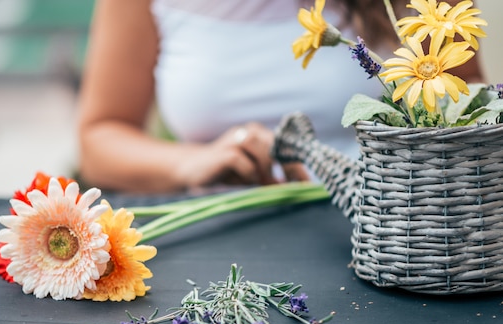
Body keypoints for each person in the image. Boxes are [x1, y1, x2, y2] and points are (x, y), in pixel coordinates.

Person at [77, 0, 484, 193]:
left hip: (395, 231)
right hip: (224, 233)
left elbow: (469, 102)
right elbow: (98, 139)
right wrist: (191, 162)